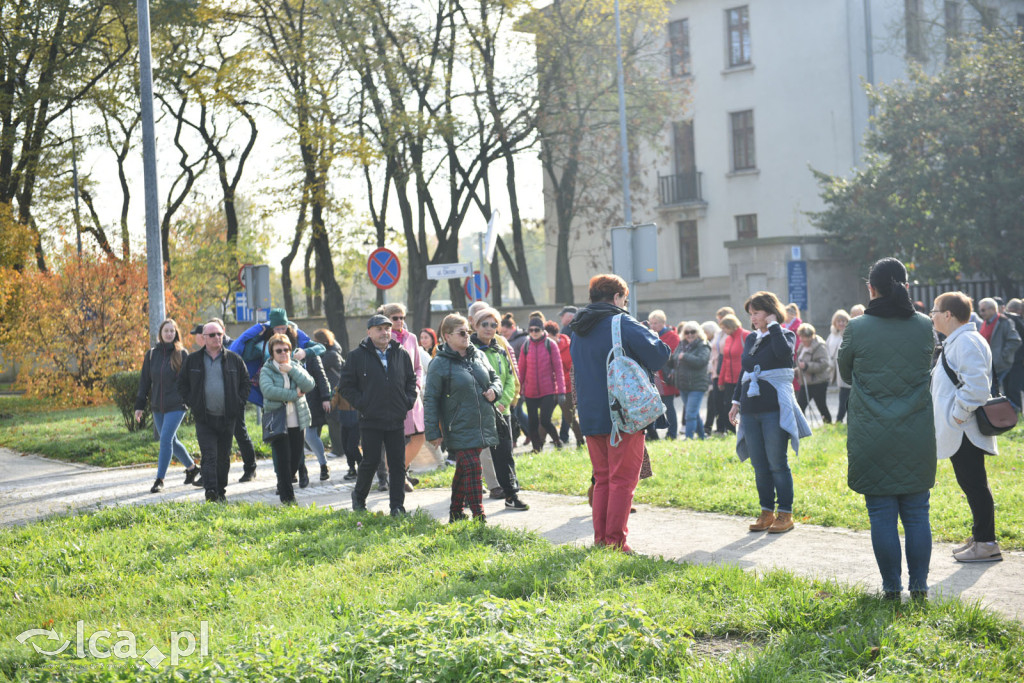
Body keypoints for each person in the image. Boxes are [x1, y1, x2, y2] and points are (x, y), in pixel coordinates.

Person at [838, 257, 936, 600]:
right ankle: (920, 587)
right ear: (906, 287)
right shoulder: (926, 325)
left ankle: (892, 589)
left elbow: (846, 373)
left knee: (881, 514)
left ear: (871, 288)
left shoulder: (856, 327)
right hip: (916, 432)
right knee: (917, 513)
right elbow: (926, 365)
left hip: (871, 433)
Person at [570, 274, 670, 553]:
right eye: (624, 299)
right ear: (616, 297)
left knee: (602, 478)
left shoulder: (577, 327)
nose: (625, 304)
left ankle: (602, 541)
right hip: (622, 413)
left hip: (591, 414)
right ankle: (615, 543)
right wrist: (650, 331)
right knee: (623, 480)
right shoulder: (621, 321)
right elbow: (660, 355)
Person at [728, 292, 811, 534]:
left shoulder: (785, 334)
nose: (752, 318)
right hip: (750, 410)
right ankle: (766, 512)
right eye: (750, 313)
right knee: (759, 465)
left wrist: (774, 325)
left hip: (774, 410)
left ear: (770, 313)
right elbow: (746, 372)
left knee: (777, 463)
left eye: (757, 312)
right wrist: (735, 402)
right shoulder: (751, 338)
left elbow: (783, 355)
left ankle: (785, 514)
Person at [930, 292, 1002, 563]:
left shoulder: (967, 341)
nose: (933, 316)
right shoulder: (959, 341)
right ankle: (981, 536)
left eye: (935, 311)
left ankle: (986, 543)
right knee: (973, 485)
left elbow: (977, 387)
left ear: (948, 314)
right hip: (961, 429)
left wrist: (957, 416)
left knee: (975, 485)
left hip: (965, 430)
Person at [229, 308, 324, 482]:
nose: (280, 332)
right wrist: (255, 331)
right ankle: (282, 477)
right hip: (273, 397)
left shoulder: (295, 336)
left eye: (283, 327)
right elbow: (238, 351)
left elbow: (321, 347)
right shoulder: (262, 343)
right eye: (276, 328)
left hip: (297, 394)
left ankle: (300, 471)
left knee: (297, 440)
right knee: (277, 437)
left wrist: (306, 352)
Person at [425, 313, 502, 522]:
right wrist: (433, 431)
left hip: (482, 422)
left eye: (468, 331)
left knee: (464, 468)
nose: (467, 335)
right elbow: (430, 399)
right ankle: (479, 516)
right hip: (457, 426)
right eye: (462, 332)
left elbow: (495, 378)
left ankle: (456, 512)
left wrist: (495, 390)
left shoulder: (478, 355)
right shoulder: (438, 364)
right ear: (447, 336)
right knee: (473, 468)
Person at [339, 314, 417, 515]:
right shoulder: (356, 356)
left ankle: (397, 506)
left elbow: (411, 380)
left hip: (396, 418)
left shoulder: (401, 354)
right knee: (371, 461)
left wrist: (407, 402)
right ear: (369, 332)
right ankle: (359, 498)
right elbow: (346, 387)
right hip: (371, 419)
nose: (385, 332)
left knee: (398, 464)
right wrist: (363, 404)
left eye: (387, 328)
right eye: (379, 329)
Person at [178, 321, 250, 503]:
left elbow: (245, 383)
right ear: (203, 338)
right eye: (212, 335)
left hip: (227, 418)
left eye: (219, 334)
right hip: (205, 418)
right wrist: (193, 403)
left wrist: (238, 403)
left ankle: (221, 491)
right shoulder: (193, 360)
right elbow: (182, 384)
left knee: (223, 457)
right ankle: (210, 491)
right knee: (209, 455)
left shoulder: (234, 359)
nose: (217, 337)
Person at [134, 319, 202, 493]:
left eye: (172, 331)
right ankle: (192, 468)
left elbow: (188, 381)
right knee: (171, 440)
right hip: (157, 406)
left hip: (177, 405)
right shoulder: (151, 354)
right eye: (166, 331)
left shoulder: (182, 353)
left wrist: (189, 401)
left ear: (176, 333)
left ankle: (160, 479)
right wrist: (139, 406)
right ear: (161, 333)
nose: (169, 333)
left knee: (165, 439)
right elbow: (145, 382)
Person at [474, 307, 529, 510]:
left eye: (494, 324)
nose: (490, 328)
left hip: (501, 412)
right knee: (471, 456)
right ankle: (463, 499)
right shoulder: (469, 349)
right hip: (478, 413)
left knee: (505, 455)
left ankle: (511, 494)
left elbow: (509, 379)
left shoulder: (499, 348)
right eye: (484, 324)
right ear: (475, 325)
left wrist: (503, 401)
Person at [259, 333, 316, 504]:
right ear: (272, 353)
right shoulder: (267, 369)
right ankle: (288, 499)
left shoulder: (296, 365)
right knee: (283, 460)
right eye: (279, 351)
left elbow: (309, 384)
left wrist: (291, 370)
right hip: (278, 421)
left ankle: (285, 486)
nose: (283, 353)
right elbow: (268, 391)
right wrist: (294, 394)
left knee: (295, 459)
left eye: (286, 350)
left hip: (298, 421)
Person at [378, 303, 426, 492]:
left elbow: (418, 367)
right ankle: (396, 477)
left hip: (412, 396)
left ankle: (399, 472)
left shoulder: (412, 338)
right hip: (392, 398)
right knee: (394, 440)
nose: (399, 321)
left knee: (419, 436)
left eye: (402, 317)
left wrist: (417, 386)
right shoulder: (382, 339)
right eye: (395, 318)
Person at [518, 312, 566, 452]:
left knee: (545, 420)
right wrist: (519, 391)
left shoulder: (550, 344)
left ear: (542, 330)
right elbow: (521, 371)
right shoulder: (526, 346)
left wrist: (561, 391)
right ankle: (536, 448)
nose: (533, 333)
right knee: (532, 423)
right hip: (530, 392)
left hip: (548, 391)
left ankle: (557, 441)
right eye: (531, 330)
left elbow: (558, 370)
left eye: (536, 330)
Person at [314, 329, 356, 478]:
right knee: (334, 421)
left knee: (335, 421)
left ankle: (339, 450)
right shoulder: (332, 352)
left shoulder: (329, 355)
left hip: (337, 393)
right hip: (336, 393)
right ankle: (341, 450)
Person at [670, 321, 711, 440]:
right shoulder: (681, 344)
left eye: (693, 332)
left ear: (698, 332)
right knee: (693, 412)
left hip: (697, 385)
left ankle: (689, 438)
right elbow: (674, 358)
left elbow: (701, 361)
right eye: (687, 332)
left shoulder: (703, 345)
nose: (690, 335)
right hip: (683, 385)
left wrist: (685, 356)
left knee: (690, 414)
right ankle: (702, 437)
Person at [977, 297, 1022, 399]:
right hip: (990, 365)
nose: (981, 313)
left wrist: (1003, 357)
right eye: (980, 310)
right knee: (994, 393)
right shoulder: (984, 323)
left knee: (1000, 393)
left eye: (983, 310)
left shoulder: (1004, 322)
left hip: (1000, 365)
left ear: (992, 309)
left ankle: (1013, 412)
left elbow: (1015, 340)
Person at [547, 321, 583, 445]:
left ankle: (580, 440)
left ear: (556, 335)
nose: (546, 339)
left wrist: (561, 381)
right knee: (544, 418)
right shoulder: (546, 347)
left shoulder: (566, 347)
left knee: (569, 416)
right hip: (551, 388)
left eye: (548, 337)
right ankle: (538, 447)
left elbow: (571, 370)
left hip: (567, 388)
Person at [647, 310, 680, 440]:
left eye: (656, 323)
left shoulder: (672, 336)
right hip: (653, 377)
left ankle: (672, 434)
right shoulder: (649, 334)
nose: (653, 326)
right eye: (651, 323)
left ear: (663, 323)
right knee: (652, 408)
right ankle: (652, 434)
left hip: (665, 378)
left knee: (669, 407)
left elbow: (671, 356)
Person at [716, 314, 749, 435]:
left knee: (744, 406)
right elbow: (725, 360)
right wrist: (721, 380)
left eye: (725, 328)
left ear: (731, 326)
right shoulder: (728, 339)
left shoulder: (745, 335)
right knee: (728, 406)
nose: (723, 331)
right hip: (729, 379)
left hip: (743, 378)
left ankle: (747, 430)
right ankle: (731, 431)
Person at [795, 323, 832, 423]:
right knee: (800, 406)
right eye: (801, 337)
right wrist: (796, 371)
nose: (803, 340)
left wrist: (807, 366)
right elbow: (800, 362)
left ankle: (829, 427)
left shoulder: (820, 346)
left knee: (821, 406)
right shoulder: (802, 346)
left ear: (811, 336)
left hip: (818, 382)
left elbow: (824, 364)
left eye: (805, 337)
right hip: (805, 382)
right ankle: (802, 429)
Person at [826, 310, 851, 423]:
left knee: (844, 396)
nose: (841, 323)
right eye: (838, 321)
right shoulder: (832, 335)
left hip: (847, 370)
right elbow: (827, 350)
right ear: (834, 323)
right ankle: (839, 419)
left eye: (843, 321)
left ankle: (839, 419)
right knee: (843, 396)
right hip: (835, 369)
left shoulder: (849, 333)